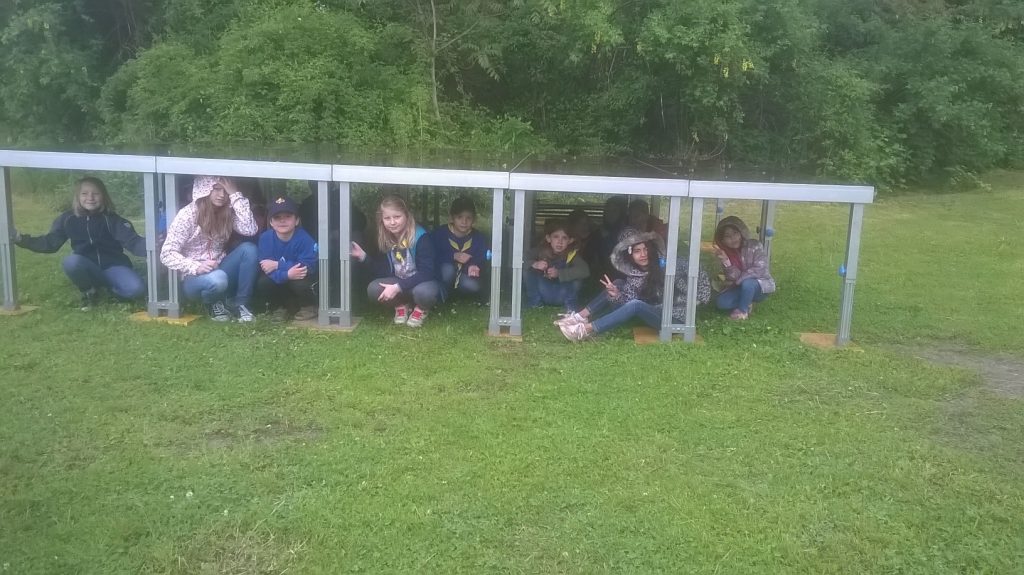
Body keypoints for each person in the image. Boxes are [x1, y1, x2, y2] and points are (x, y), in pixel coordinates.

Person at [12, 176, 147, 310]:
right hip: (87, 266)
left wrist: (154, 245)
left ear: (103, 196)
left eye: (96, 193)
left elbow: (133, 242)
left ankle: (111, 290)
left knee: (137, 290)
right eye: (84, 193)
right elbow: (50, 243)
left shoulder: (113, 219)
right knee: (71, 262)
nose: (90, 197)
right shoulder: (67, 219)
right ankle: (89, 291)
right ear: (77, 196)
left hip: (114, 266)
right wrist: (21, 239)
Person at [557, 229, 711, 341]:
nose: (643, 254)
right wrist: (616, 295)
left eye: (645, 249)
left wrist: (697, 298)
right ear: (629, 256)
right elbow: (626, 306)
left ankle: (585, 330)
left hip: (676, 319)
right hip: (657, 314)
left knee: (636, 304)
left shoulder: (668, 264)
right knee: (619, 285)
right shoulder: (634, 276)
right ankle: (579, 317)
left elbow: (697, 270)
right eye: (637, 251)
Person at [160, 176, 259, 322]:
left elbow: (250, 229)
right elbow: (167, 253)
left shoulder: (227, 211)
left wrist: (235, 195)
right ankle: (213, 303)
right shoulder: (187, 215)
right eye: (216, 189)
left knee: (249, 250)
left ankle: (241, 305)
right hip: (192, 276)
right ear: (204, 189)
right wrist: (196, 266)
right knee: (218, 279)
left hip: (219, 266)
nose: (222, 195)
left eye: (226, 191)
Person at [350, 195, 439, 327]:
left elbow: (427, 273)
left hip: (422, 283)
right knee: (373, 289)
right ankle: (401, 305)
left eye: (397, 217)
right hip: (399, 282)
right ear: (382, 220)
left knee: (424, 293)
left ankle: (421, 308)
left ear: (407, 216)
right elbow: (384, 271)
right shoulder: (386, 238)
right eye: (387, 218)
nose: (392, 222)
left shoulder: (421, 237)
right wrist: (363, 257)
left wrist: (397, 287)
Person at [256, 196, 318, 322]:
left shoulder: (304, 238)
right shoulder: (265, 238)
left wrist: (278, 265)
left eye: (288, 216)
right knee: (264, 282)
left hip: (301, 277)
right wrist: (287, 274)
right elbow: (266, 267)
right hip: (283, 276)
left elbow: (305, 267)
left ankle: (309, 307)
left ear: (297, 220)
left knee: (300, 282)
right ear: (271, 222)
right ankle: (278, 308)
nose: (282, 221)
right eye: (277, 217)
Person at [712, 215, 776, 320]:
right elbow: (733, 278)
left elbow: (760, 269)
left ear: (741, 233)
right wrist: (726, 262)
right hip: (741, 287)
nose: (733, 238)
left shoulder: (755, 245)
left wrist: (740, 280)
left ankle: (742, 311)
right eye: (727, 236)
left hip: (760, 286)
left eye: (735, 233)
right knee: (721, 302)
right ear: (722, 240)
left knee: (748, 283)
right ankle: (747, 301)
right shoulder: (726, 253)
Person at [525, 218, 590, 312]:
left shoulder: (572, 254)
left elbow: (585, 270)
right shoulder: (540, 250)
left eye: (564, 238)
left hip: (563, 295)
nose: (560, 241)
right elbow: (521, 259)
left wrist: (559, 273)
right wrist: (535, 264)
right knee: (528, 270)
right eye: (556, 237)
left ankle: (570, 306)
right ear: (548, 238)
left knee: (578, 276)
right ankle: (534, 303)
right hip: (543, 291)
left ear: (570, 240)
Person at [432, 196, 489, 302]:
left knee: (472, 286)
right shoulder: (440, 234)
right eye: (459, 217)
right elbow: (433, 255)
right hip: (444, 272)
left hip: (464, 274)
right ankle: (442, 292)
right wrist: (453, 256)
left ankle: (457, 294)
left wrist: (474, 265)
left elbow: (482, 256)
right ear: (452, 218)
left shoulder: (478, 237)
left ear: (474, 219)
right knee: (447, 271)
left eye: (468, 218)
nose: (464, 222)